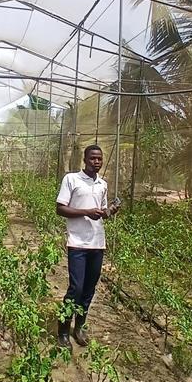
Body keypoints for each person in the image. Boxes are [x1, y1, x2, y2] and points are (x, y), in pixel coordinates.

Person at [55, 145, 118, 351]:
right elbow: (60, 208)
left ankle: (79, 327)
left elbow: (101, 212)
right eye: (92, 158)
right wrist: (86, 212)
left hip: (97, 243)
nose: (96, 162)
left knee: (89, 289)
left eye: (99, 159)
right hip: (77, 243)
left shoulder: (102, 184)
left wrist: (110, 211)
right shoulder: (71, 179)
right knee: (76, 288)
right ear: (85, 159)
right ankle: (63, 330)